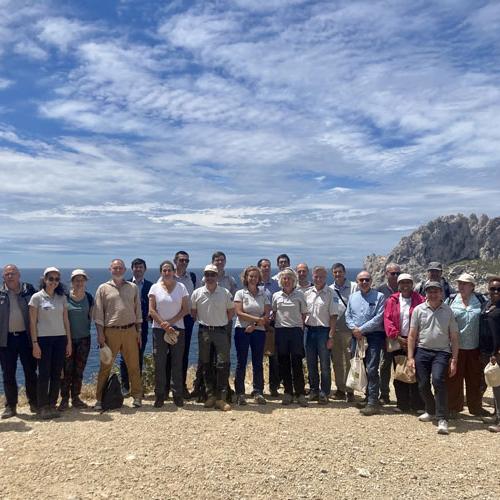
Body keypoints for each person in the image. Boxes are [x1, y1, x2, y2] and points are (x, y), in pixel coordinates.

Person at [407, 281, 459, 435]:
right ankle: (430, 410)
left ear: (441, 293)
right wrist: (410, 357)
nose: (433, 294)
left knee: (437, 381)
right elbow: (412, 335)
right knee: (422, 384)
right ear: (426, 293)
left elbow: (454, 337)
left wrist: (454, 359)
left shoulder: (448, 311)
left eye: (436, 291)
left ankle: (442, 418)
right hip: (422, 351)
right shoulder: (418, 310)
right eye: (430, 291)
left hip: (442, 352)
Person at [94, 259, 143, 410]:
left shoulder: (133, 287)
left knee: (133, 366)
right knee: (105, 366)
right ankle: (99, 399)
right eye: (115, 268)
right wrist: (100, 334)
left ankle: (137, 397)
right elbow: (98, 314)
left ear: (125, 269)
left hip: (130, 331)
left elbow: (138, 310)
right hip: (111, 332)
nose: (118, 270)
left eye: (120, 268)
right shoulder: (103, 288)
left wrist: (139, 331)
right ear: (110, 269)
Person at [29, 267, 72, 419]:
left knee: (56, 374)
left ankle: (52, 404)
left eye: (56, 279)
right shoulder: (36, 297)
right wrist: (35, 343)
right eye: (51, 278)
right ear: (45, 279)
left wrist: (69, 342)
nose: (53, 282)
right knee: (44, 374)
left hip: (60, 339)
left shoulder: (62, 297)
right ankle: (43, 406)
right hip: (43, 340)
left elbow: (66, 321)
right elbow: (33, 323)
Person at [191, 264, 234, 411]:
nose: (210, 277)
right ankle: (210, 396)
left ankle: (221, 398)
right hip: (204, 332)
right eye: (207, 274)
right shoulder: (197, 293)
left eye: (212, 275)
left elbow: (230, 313)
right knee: (206, 363)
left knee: (223, 364)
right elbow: (193, 313)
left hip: (221, 332)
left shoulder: (225, 293)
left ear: (217, 277)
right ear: (204, 276)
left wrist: (219, 323)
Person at [446, 273, 489, 417]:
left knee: (475, 379)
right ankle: (453, 408)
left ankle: (475, 407)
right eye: (459, 283)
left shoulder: (481, 300)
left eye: (465, 283)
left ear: (472, 286)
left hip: (475, 347)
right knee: (454, 379)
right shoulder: (451, 300)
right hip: (455, 348)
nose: (461, 286)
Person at [148, 260, 189, 408]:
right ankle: (160, 395)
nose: (167, 273)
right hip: (159, 330)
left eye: (169, 270)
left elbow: (186, 309)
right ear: (161, 272)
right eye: (164, 270)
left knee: (177, 362)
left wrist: (170, 323)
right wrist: (163, 324)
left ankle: (177, 395)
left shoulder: (181, 287)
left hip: (177, 329)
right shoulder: (154, 288)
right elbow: (152, 310)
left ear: (173, 271)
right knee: (160, 363)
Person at [345, 271, 386, 415]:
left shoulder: (380, 297)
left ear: (371, 281)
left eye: (367, 279)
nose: (364, 282)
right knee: (360, 367)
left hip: (374, 336)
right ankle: (367, 397)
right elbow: (348, 316)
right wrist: (354, 329)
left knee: (372, 368)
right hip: (357, 337)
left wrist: (360, 329)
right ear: (357, 281)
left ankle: (373, 402)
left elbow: (379, 317)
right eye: (361, 280)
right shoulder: (352, 297)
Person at [383, 273, 425, 412]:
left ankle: (418, 404)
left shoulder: (420, 299)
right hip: (398, 341)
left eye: (408, 282)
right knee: (400, 372)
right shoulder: (392, 300)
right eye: (403, 283)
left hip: (416, 341)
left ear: (412, 284)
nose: (405, 285)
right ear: (399, 285)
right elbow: (387, 320)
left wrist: (413, 339)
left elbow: (424, 319)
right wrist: (397, 337)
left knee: (416, 372)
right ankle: (402, 404)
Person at [0, 265, 37, 419]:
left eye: (13, 273)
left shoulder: (29, 290)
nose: (10, 276)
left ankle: (34, 402)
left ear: (19, 275)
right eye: (7, 274)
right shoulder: (0, 293)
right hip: (6, 339)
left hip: (26, 338)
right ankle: (11, 406)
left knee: (30, 372)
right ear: (3, 277)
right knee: (8, 374)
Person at [233, 266, 271, 405]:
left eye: (256, 276)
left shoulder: (263, 294)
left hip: (258, 331)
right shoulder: (240, 293)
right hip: (242, 330)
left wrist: (254, 326)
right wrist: (256, 321)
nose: (253, 278)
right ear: (246, 277)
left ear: (259, 278)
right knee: (241, 362)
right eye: (251, 276)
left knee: (257, 362)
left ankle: (258, 391)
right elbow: (239, 312)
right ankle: (240, 393)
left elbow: (267, 313)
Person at [272, 267, 308, 406]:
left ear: (294, 280)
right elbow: (274, 314)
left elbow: (304, 314)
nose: (287, 281)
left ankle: (300, 393)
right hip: (281, 331)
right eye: (284, 278)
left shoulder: (300, 295)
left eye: (289, 278)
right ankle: (288, 392)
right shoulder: (276, 296)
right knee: (284, 363)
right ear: (281, 280)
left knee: (297, 363)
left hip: (295, 332)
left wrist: (299, 327)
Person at [59, 269, 93, 410]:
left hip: (84, 339)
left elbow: (92, 317)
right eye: (76, 280)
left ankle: (76, 398)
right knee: (66, 371)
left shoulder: (89, 298)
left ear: (85, 281)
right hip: (68, 340)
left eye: (81, 280)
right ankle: (64, 399)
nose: (79, 282)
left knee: (79, 370)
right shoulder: (64, 297)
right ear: (72, 282)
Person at [305, 266, 338, 404]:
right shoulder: (307, 293)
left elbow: (334, 316)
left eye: (322, 277)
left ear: (326, 277)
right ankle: (314, 390)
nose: (318, 279)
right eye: (316, 276)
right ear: (312, 276)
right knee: (311, 363)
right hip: (309, 331)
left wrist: (331, 336)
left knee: (325, 364)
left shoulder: (331, 293)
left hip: (324, 332)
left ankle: (324, 392)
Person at [120, 258, 152, 397]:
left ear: (145, 269)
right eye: (136, 267)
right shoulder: (124, 284)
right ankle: (125, 387)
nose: (138, 269)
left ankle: (137, 388)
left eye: (140, 267)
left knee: (139, 356)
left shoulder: (151, 286)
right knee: (124, 357)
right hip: (126, 325)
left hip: (143, 326)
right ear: (131, 269)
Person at [329, 263, 358, 402]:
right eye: (335, 272)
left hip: (349, 330)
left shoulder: (354, 287)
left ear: (344, 272)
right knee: (337, 362)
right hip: (335, 330)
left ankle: (350, 390)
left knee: (349, 361)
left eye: (340, 272)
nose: (337, 274)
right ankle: (340, 389)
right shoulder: (330, 289)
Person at [173, 251, 197, 399]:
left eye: (186, 261)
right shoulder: (167, 275)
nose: (184, 263)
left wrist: (195, 315)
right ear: (175, 261)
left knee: (183, 353)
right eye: (181, 260)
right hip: (170, 319)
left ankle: (181, 386)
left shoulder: (192, 277)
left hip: (187, 319)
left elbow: (196, 297)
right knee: (168, 353)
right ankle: (167, 386)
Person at [378, 263, 401, 405]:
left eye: (398, 273)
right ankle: (384, 394)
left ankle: (402, 396)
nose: (396, 276)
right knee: (385, 365)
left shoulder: (405, 289)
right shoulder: (380, 291)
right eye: (393, 273)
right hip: (384, 335)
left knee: (399, 365)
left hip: (401, 335)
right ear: (386, 274)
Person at [257, 258, 281, 397]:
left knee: (274, 357)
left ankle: (274, 387)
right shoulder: (254, 284)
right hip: (258, 323)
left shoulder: (276, 285)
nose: (266, 268)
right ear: (259, 267)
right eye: (264, 266)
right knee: (258, 356)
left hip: (272, 324)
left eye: (268, 266)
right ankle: (258, 387)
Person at [481, 276, 500, 432]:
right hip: (486, 351)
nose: (495, 291)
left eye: (499, 289)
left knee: (499, 386)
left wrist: (497, 352)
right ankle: (496, 414)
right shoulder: (487, 305)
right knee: (494, 384)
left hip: (497, 353)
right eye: (492, 289)